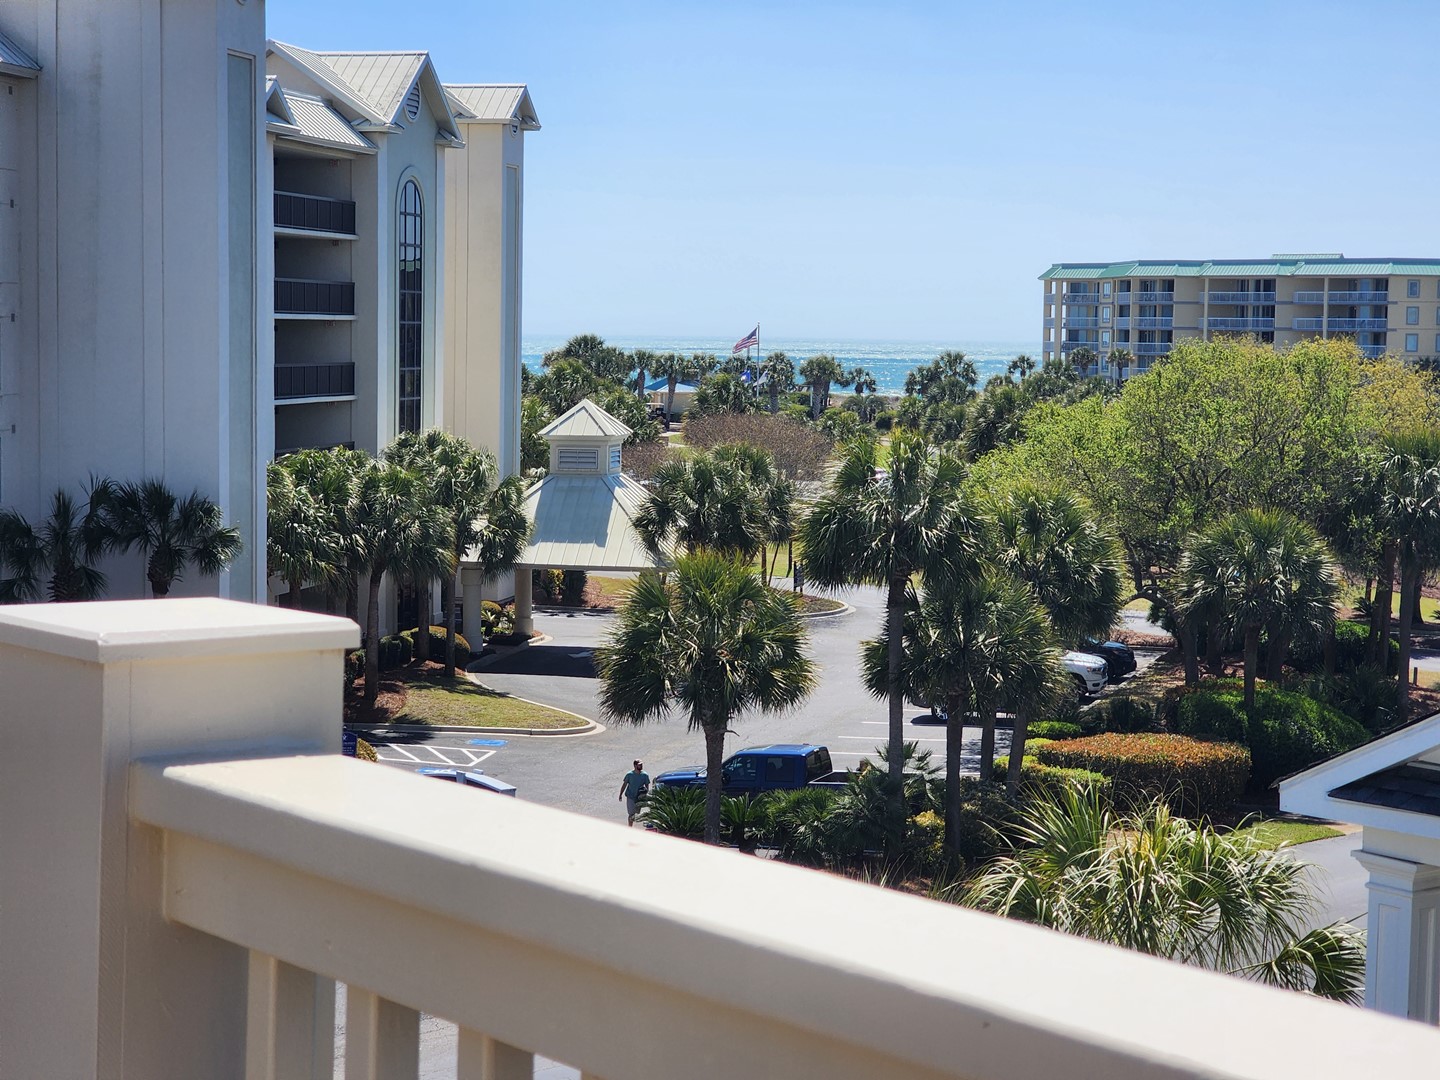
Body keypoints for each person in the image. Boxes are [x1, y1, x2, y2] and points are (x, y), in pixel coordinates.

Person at [618, 759, 650, 826]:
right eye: (639, 765)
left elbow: (647, 785)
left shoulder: (645, 775)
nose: (641, 766)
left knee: (637, 813)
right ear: (635, 765)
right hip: (630, 797)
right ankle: (630, 828)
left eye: (641, 765)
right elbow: (624, 785)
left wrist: (646, 795)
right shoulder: (629, 775)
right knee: (631, 814)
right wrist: (620, 794)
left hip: (639, 797)